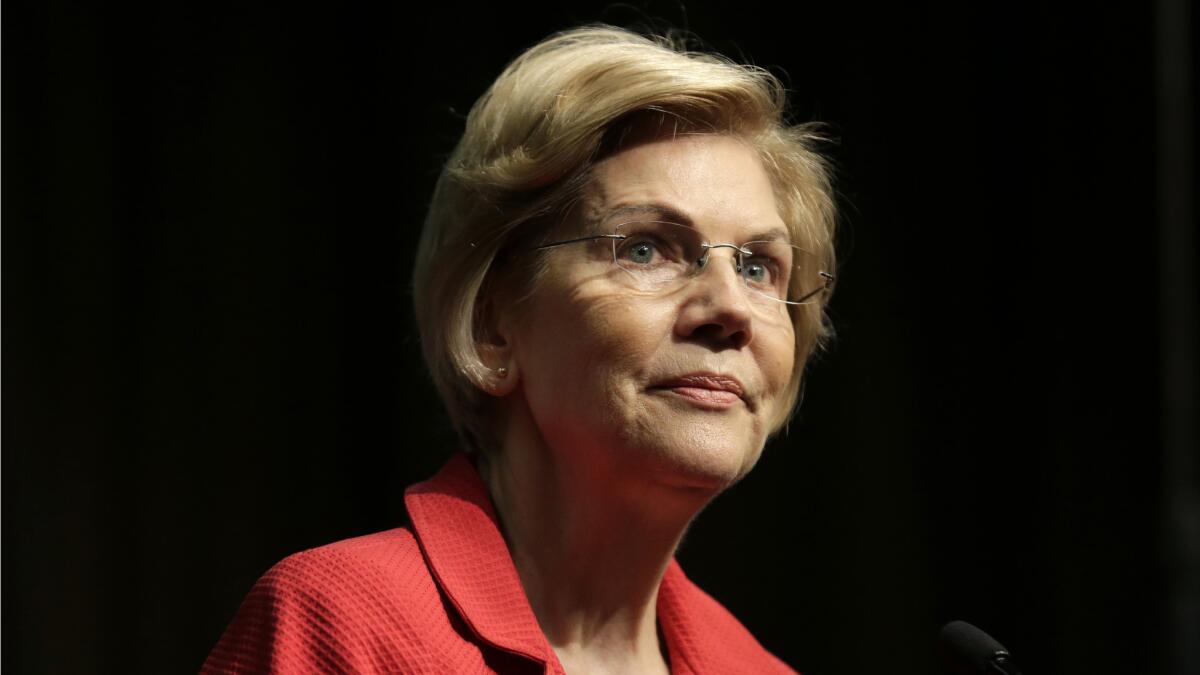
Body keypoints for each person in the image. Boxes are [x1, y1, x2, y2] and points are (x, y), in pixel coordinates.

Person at [202, 24, 836, 675]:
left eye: (759, 266)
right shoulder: (345, 623)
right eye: (644, 247)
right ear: (491, 322)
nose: (731, 308)